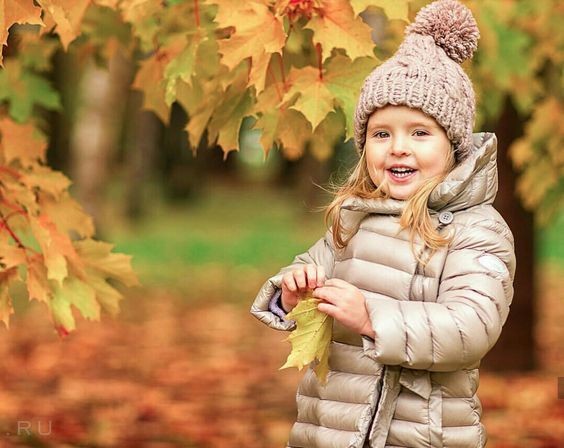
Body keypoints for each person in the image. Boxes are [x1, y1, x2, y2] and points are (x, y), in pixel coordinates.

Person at [250, 0, 516, 447]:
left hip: (418, 434)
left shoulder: (475, 230)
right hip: (330, 425)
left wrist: (371, 317)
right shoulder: (355, 217)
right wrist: (292, 289)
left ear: (452, 146)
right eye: (381, 133)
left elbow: (471, 327)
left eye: (419, 132)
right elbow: (307, 273)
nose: (397, 148)